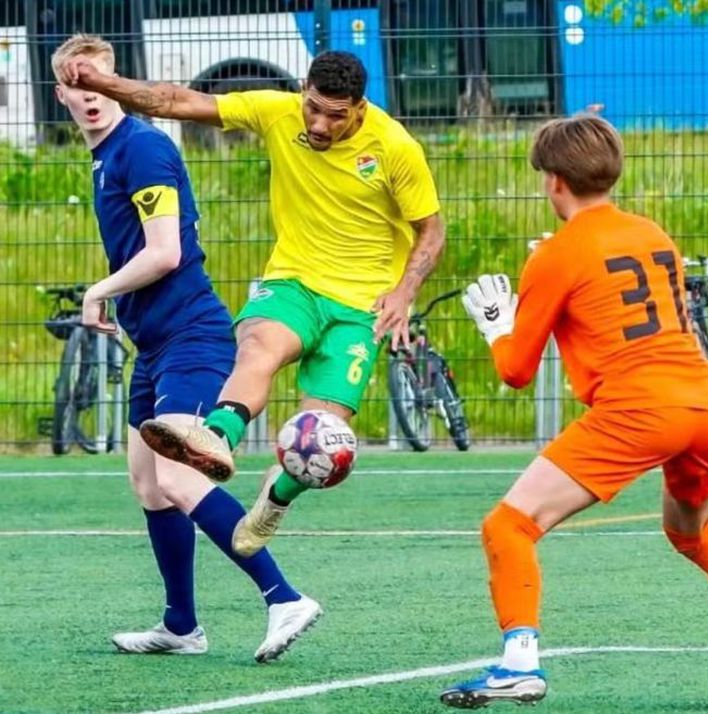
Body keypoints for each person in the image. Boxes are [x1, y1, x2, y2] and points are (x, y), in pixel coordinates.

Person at [443, 115, 708, 708]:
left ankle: (518, 663)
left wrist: (496, 325)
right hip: (703, 400)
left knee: (508, 527)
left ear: (553, 182)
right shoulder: (652, 232)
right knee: (692, 534)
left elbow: (515, 371)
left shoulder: (556, 255)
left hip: (638, 408)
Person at [58, 50, 444, 557]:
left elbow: (431, 231)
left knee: (318, 440)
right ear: (302, 91)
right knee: (258, 345)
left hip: (361, 305)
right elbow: (174, 100)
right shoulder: (276, 110)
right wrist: (103, 83)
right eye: (312, 107)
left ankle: (274, 500)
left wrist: (404, 291)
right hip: (294, 281)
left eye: (335, 114)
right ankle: (216, 436)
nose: (320, 123)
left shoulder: (395, 146)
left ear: (359, 107)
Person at [53, 34, 320, 662]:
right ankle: (181, 626)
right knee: (148, 484)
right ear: (61, 93)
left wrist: (101, 291)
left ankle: (284, 597)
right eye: (75, 82)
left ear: (114, 84)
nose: (88, 94)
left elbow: (165, 251)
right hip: (154, 345)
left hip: (191, 339)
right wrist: (124, 309)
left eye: (98, 80)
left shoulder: (141, 147)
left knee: (177, 475)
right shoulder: (104, 156)